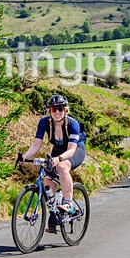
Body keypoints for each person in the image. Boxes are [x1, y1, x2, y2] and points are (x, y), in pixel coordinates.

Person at [21, 94, 86, 232]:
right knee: (48, 180)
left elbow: (71, 150)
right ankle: (54, 216)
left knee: (62, 167)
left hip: (75, 150)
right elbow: (36, 145)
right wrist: (25, 157)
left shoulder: (73, 124)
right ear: (49, 111)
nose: (57, 112)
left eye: (60, 109)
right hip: (57, 150)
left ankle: (68, 204)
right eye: (54, 109)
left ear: (65, 110)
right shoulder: (44, 122)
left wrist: (59, 159)